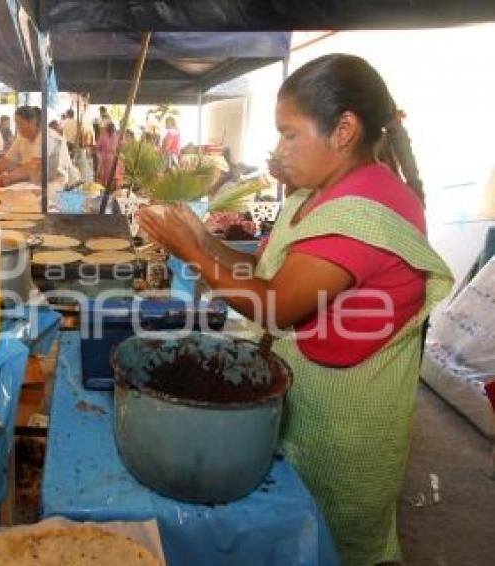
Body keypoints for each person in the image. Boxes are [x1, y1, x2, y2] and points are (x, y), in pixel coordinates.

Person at [139, 54, 453, 565]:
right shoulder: (322, 193)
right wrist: (198, 239)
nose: (279, 151)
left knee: (329, 541)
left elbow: (277, 306)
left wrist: (194, 252)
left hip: (346, 419)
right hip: (310, 394)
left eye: (290, 135)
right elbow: (268, 275)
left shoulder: (363, 214)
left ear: (344, 129)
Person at [0, 105, 71, 189]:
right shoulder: (21, 138)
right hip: (34, 185)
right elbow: (8, 160)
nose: (18, 127)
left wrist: (8, 178)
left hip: (57, 185)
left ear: (32, 122)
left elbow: (34, 165)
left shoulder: (48, 137)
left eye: (20, 123)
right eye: (16, 123)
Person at [96, 121, 123, 187]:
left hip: (106, 158)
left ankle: (107, 188)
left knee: (105, 176)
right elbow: (122, 147)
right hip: (114, 158)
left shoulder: (103, 136)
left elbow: (98, 147)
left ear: (106, 129)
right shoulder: (118, 136)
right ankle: (113, 188)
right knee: (114, 175)